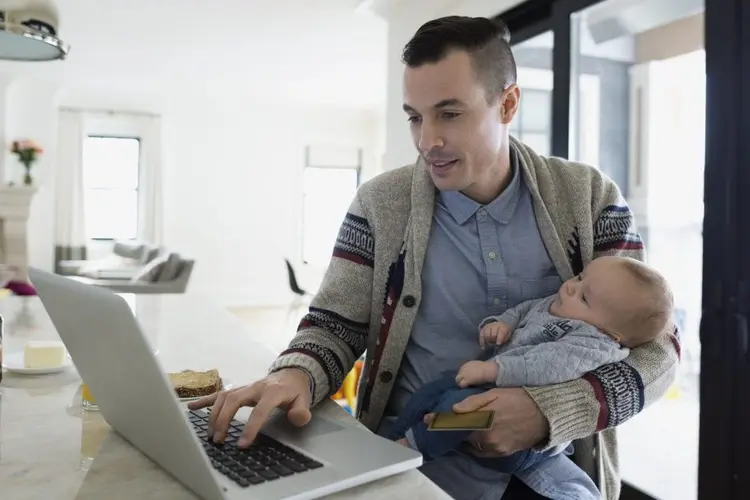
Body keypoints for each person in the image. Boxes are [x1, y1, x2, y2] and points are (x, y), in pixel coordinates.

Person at [189, 15, 680, 500]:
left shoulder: (589, 198)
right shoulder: (380, 205)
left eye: (450, 114)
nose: (427, 142)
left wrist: (547, 410)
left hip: (549, 473)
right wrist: (293, 373)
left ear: (507, 104)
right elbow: (334, 325)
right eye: (415, 117)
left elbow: (657, 346)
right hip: (416, 460)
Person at [388, 256, 673, 485]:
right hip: (488, 389)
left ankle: (415, 445)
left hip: (521, 441)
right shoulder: (561, 307)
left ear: (611, 332)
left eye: (585, 297)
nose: (571, 287)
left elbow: (546, 365)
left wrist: (493, 369)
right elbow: (526, 309)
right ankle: (397, 437)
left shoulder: (594, 342)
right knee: (434, 390)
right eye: (580, 277)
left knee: (456, 412)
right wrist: (502, 323)